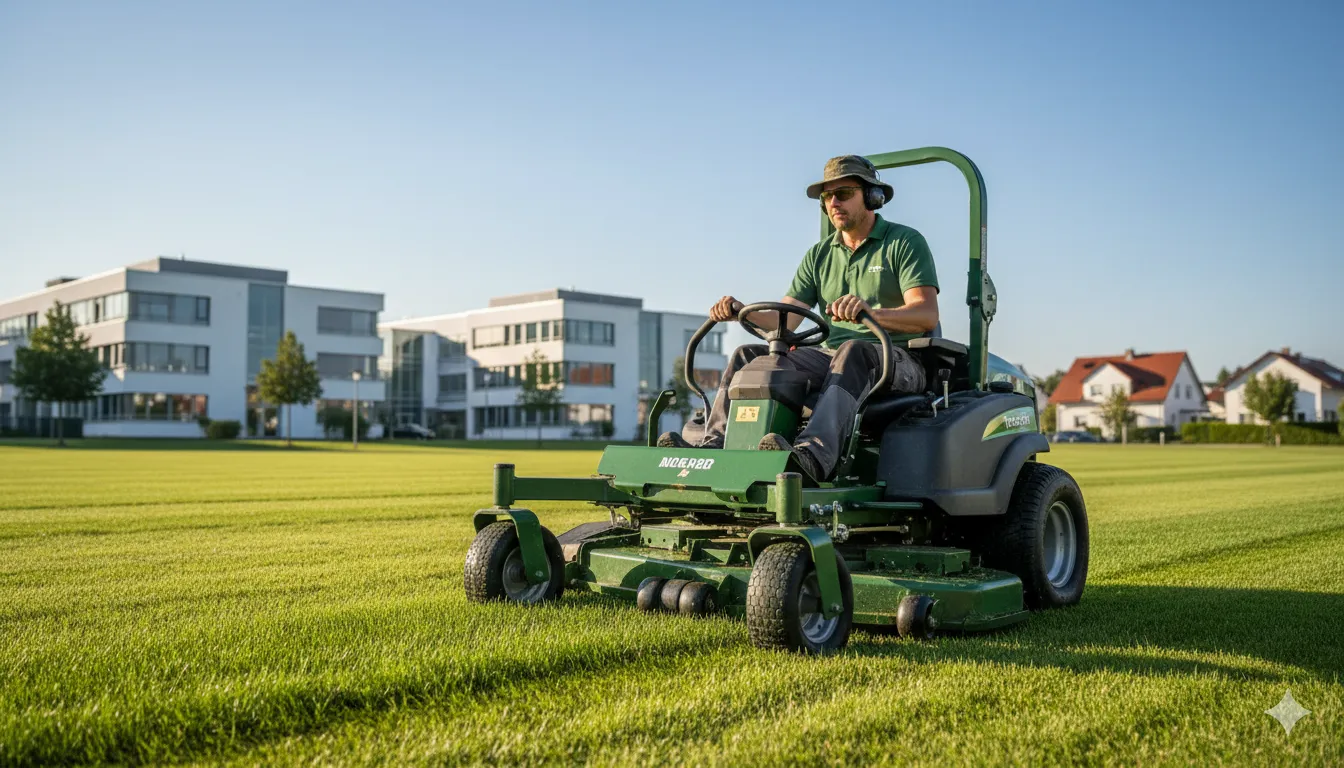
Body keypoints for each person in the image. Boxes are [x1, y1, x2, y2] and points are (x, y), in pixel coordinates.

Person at [660, 154, 940, 481]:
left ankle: (812, 458)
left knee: (853, 350)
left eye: (844, 193)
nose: (833, 202)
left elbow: (925, 314)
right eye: (827, 197)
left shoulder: (904, 242)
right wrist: (738, 311)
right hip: (835, 359)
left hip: (900, 360)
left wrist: (870, 313)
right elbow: (785, 322)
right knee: (749, 357)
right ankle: (716, 447)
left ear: (872, 197)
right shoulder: (819, 255)